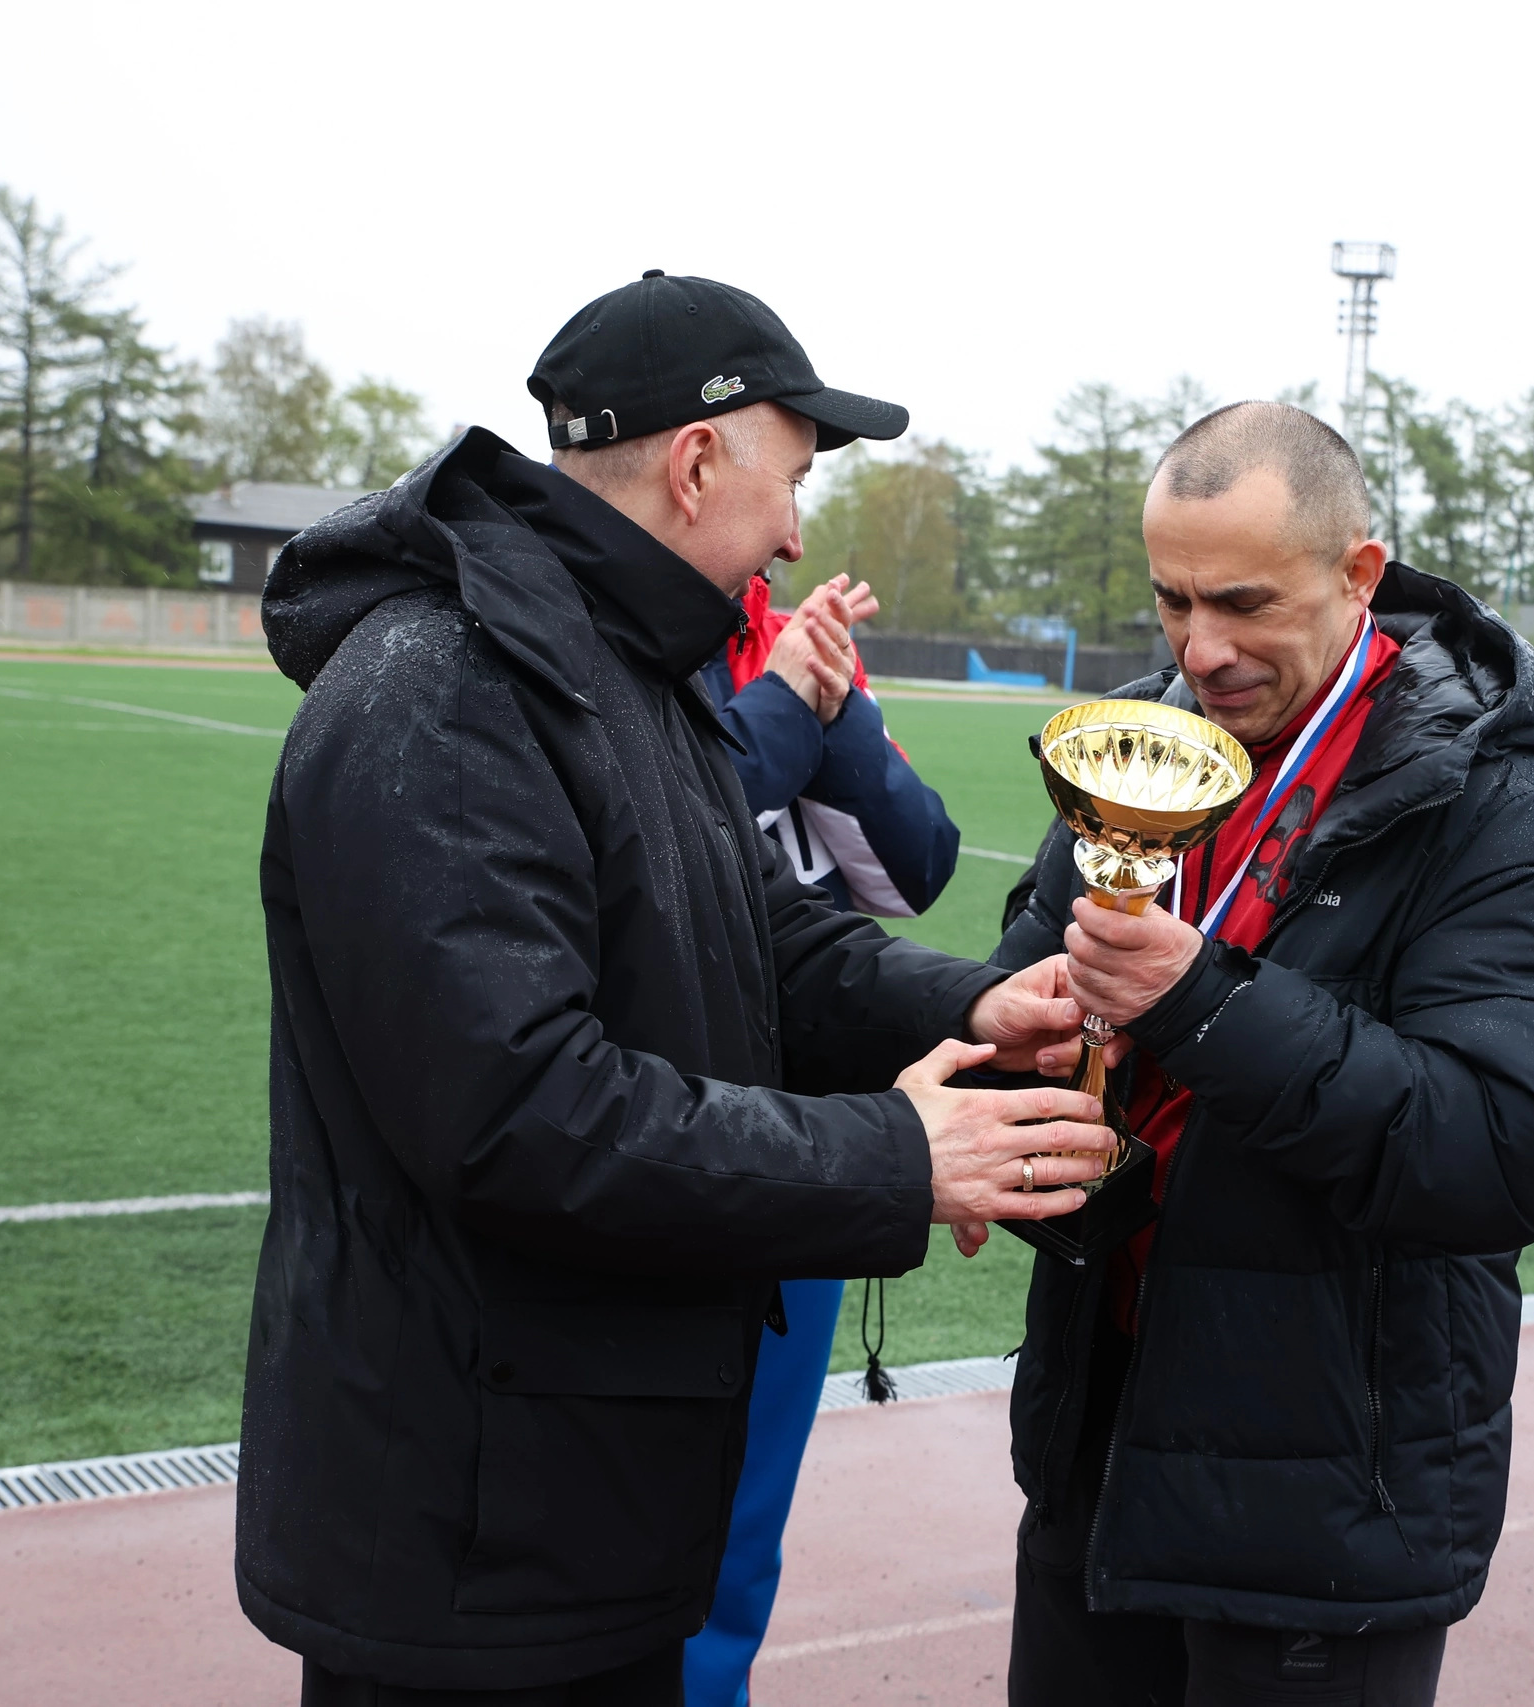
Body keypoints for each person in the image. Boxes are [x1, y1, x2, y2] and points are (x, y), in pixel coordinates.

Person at [236, 270, 1117, 1706]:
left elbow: (753, 928)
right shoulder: (452, 686)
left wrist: (967, 1008)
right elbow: (520, 1111)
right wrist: (898, 1157)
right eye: (794, 479)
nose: (796, 532)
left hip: (577, 1498)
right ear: (698, 463)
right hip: (476, 1539)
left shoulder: (619, 664)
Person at [988, 401, 1534, 1706]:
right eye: (1172, 599)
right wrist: (1016, 1061)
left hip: (1329, 1504)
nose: (1200, 649)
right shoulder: (1137, 748)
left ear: (1358, 574)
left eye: (1243, 603)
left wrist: (1201, 1005)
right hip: (1098, 1449)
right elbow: (1022, 975)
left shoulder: (1499, 802)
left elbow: (1511, 1145)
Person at [682, 566, 962, 1707]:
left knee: (743, 1529)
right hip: (667, 1148)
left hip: (811, 1148)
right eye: (787, 486)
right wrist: (780, 710)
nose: (795, 535)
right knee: (634, 1532)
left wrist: (836, 713)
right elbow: (662, 836)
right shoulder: (614, 640)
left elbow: (918, 867)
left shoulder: (788, 640)